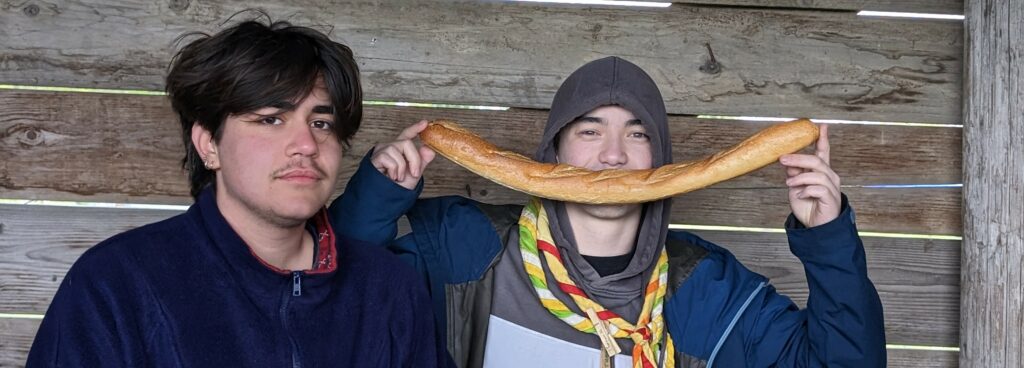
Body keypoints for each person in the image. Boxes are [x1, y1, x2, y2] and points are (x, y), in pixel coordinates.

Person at [332, 56, 886, 367]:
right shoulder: (462, 244)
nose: (614, 155)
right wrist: (377, 196)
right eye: (590, 131)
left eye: (637, 134)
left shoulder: (708, 289)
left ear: (660, 159)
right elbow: (336, 298)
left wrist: (829, 239)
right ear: (554, 153)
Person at [27, 16, 443, 367]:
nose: (306, 144)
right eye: (270, 119)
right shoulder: (116, 283)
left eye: (321, 124)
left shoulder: (389, 288)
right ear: (209, 144)